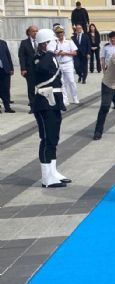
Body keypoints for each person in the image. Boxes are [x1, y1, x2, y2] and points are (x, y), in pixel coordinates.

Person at [31, 28, 71, 188]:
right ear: (45, 43)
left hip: (53, 102)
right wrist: (48, 52)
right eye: (52, 41)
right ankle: (46, 177)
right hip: (43, 103)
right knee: (46, 139)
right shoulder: (38, 58)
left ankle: (53, 172)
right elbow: (40, 70)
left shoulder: (51, 57)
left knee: (54, 138)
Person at [54, 26, 79, 106]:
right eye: (58, 33)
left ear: (63, 33)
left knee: (71, 81)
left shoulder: (69, 41)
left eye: (61, 32)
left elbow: (75, 53)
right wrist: (57, 53)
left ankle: (75, 97)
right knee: (62, 82)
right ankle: (65, 99)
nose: (59, 34)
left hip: (68, 63)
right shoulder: (55, 42)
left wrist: (65, 53)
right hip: (59, 64)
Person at [18, 25, 39, 113]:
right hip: (30, 70)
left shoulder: (41, 41)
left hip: (40, 69)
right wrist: (23, 69)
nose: (35, 33)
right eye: (33, 31)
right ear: (29, 32)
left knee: (42, 88)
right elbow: (21, 57)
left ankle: (41, 105)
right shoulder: (24, 43)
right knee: (31, 89)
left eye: (37, 31)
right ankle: (33, 107)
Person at [101, 31, 115, 109]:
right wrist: (103, 70)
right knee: (110, 86)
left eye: (114, 38)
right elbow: (103, 59)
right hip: (109, 69)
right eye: (111, 38)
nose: (112, 39)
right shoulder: (106, 47)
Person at [0, 37, 15, 113]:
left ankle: (7, 107)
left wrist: (11, 68)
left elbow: (8, 56)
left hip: (5, 70)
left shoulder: (3, 43)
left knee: (6, 89)